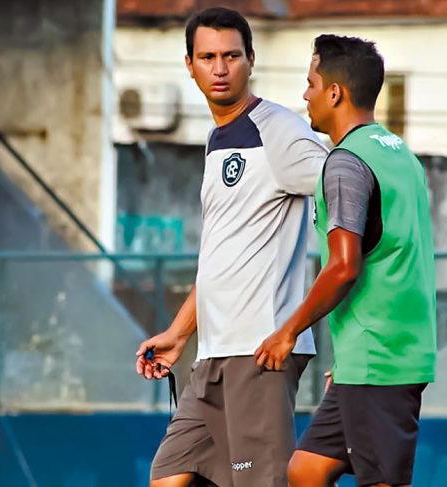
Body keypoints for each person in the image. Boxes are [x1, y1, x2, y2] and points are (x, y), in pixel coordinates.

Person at [134, 7, 328, 487]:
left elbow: (346, 181)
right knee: (169, 476)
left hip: (259, 351)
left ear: (250, 60)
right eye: (207, 57)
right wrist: (180, 333)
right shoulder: (218, 138)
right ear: (190, 64)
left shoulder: (277, 130)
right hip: (213, 353)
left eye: (231, 56)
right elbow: (224, 257)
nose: (219, 69)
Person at [255, 35, 436, 487]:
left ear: (335, 93)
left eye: (311, 83)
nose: (305, 95)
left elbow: (344, 266)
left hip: (381, 358)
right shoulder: (400, 154)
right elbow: (396, 253)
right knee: (307, 470)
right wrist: (350, 358)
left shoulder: (345, 162)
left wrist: (287, 332)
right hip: (377, 354)